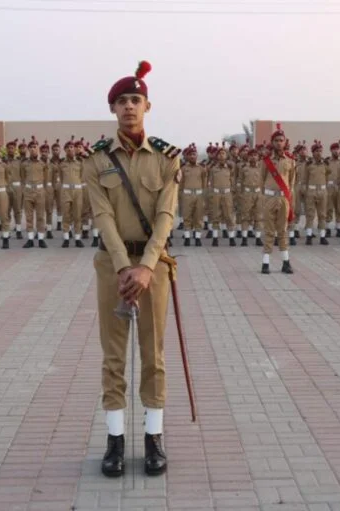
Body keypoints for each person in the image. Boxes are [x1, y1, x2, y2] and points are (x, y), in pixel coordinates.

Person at [84, 61, 179, 478]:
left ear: (147, 105)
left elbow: (166, 215)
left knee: (153, 355)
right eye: (121, 101)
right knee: (113, 355)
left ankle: (154, 438)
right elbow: (101, 215)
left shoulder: (166, 158)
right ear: (112, 109)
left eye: (135, 100)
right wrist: (125, 267)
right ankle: (115, 441)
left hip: (153, 266)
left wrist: (146, 267)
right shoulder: (96, 160)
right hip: (112, 267)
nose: (128, 107)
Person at [260, 124, 296, 273]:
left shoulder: (290, 161)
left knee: (282, 231)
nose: (279, 143)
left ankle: (285, 263)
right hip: (269, 199)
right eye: (276, 140)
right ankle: (265, 263)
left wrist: (288, 198)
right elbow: (261, 180)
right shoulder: (266, 161)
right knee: (269, 231)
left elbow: (292, 181)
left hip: (283, 200)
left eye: (282, 140)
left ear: (285, 142)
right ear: (272, 142)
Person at [20, 137, 49, 248]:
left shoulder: (43, 164)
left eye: (35, 147)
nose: (33, 149)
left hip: (39, 191)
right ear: (28, 149)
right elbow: (22, 178)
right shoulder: (24, 164)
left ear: (38, 149)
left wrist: (42, 190)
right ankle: (30, 239)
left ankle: (41, 238)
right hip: (28, 191)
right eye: (31, 147)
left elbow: (46, 179)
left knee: (41, 216)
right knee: (29, 216)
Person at [178, 143, 206, 246]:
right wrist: (180, 196)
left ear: (197, 155)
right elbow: (180, 184)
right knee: (187, 216)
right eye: (190, 155)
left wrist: (203, 195)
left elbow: (204, 182)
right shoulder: (183, 169)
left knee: (198, 216)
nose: (193, 156)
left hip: (199, 195)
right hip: (187, 195)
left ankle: (198, 238)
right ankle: (187, 238)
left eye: (194, 154)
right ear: (187, 156)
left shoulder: (201, 169)